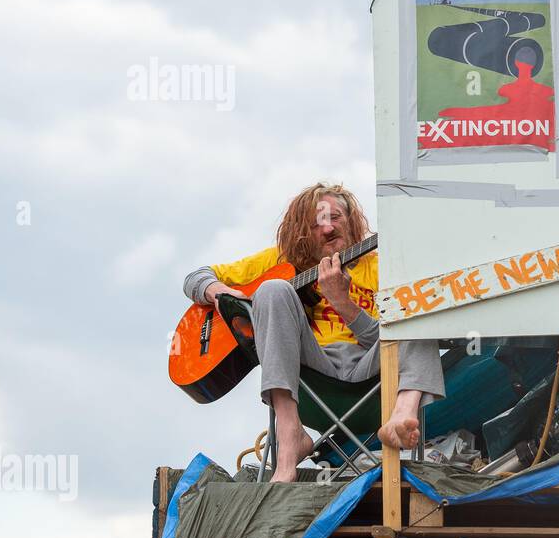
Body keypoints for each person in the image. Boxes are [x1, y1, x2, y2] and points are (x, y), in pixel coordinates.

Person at [182, 182, 444, 482]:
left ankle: (402, 415)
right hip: (311, 381)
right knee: (272, 289)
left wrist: (343, 303)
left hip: (374, 378)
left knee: (418, 302)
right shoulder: (280, 261)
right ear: (300, 232)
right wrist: (222, 295)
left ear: (352, 220)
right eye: (317, 223)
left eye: (336, 217)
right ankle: (290, 433)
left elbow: (392, 341)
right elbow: (195, 278)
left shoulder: (382, 266)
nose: (328, 228)